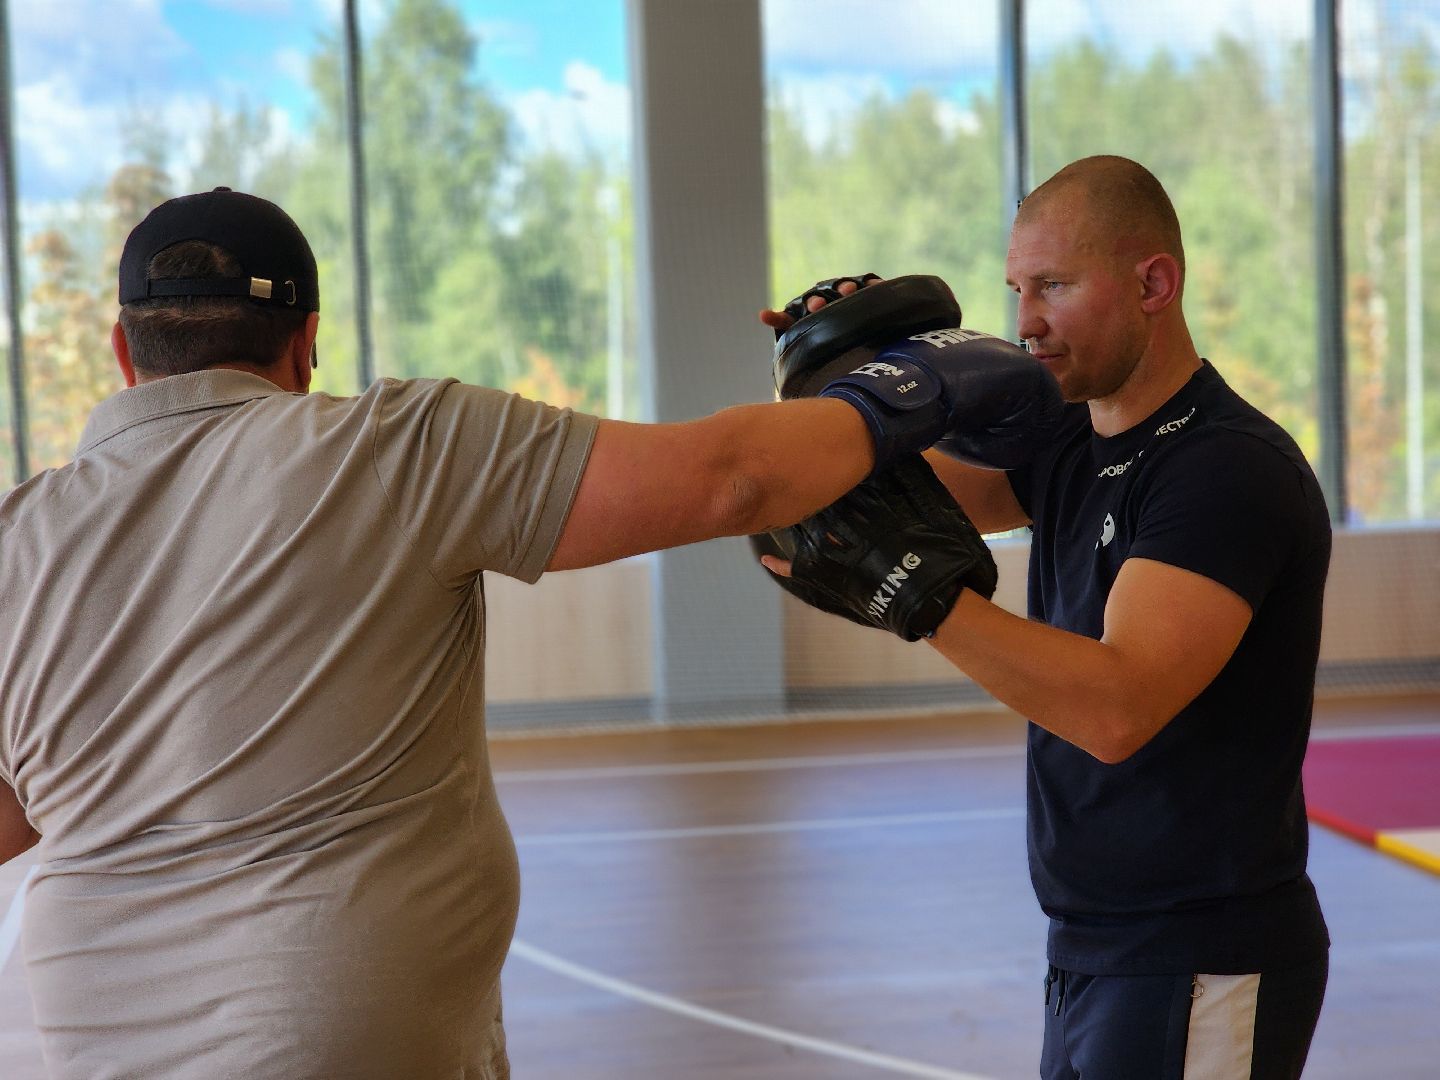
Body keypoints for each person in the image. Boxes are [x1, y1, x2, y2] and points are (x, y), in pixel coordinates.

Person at [0, 187, 1048, 1079]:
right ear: (307, 342)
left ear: (121, 354)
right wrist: (915, 386)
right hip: (330, 1036)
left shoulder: (17, 537)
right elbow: (732, 477)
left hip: (96, 1039)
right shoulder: (392, 445)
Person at [761, 156, 1331, 1079]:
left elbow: (1117, 708)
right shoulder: (1070, 441)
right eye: (1017, 288)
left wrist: (925, 598)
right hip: (1087, 945)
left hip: (1202, 952)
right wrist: (835, 372)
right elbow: (846, 495)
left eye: (1055, 287)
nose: (1025, 321)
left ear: (1154, 282)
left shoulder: (1226, 469)